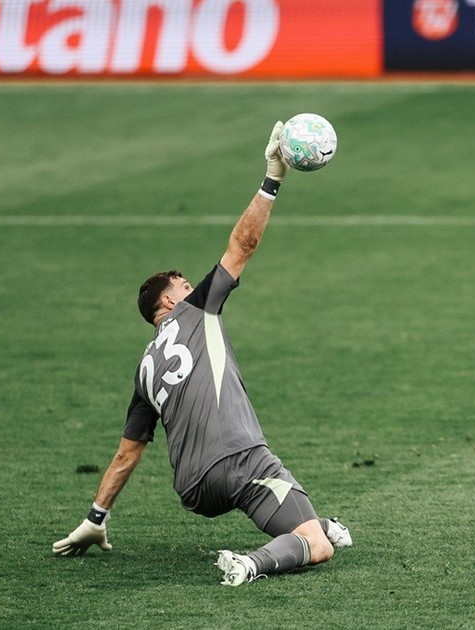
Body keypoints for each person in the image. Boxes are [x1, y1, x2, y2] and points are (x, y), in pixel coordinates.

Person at [52, 121, 352, 587]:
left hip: (195, 488)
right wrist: (272, 179)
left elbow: (127, 453)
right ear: (169, 302)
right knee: (316, 544)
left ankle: (316, 521)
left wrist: (96, 518)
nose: (193, 289)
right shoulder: (196, 311)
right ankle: (252, 563)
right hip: (239, 461)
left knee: (307, 518)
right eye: (185, 285)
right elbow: (242, 246)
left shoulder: (144, 370)